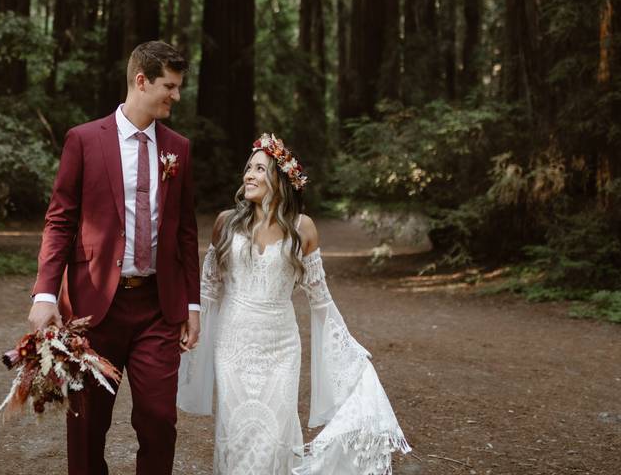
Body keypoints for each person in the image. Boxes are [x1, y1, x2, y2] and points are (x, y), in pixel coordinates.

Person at [177, 134, 410, 474]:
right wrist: (192, 327)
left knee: (274, 435)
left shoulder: (303, 229)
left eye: (260, 168)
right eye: (248, 168)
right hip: (233, 345)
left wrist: (349, 350)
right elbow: (208, 288)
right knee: (236, 431)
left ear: (280, 179)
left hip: (281, 348)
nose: (249, 175)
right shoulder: (226, 223)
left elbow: (320, 299)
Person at [28, 40, 200, 475]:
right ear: (141, 81)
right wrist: (45, 293)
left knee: (159, 419)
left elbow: (185, 231)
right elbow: (60, 221)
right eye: (170, 86)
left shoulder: (178, 147)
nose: (176, 96)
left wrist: (192, 304)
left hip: (157, 307)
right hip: (93, 309)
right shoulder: (84, 140)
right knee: (87, 424)